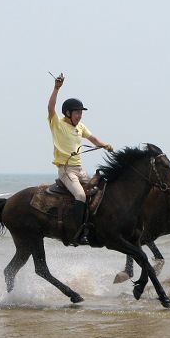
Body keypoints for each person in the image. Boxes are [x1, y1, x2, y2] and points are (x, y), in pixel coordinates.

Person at [48, 73, 113, 245]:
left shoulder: (81, 127)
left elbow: (93, 139)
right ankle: (77, 231)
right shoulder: (58, 124)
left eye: (80, 113)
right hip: (66, 170)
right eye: (77, 112)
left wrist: (105, 145)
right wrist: (56, 88)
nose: (79, 115)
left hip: (80, 170)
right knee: (80, 195)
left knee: (100, 190)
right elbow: (50, 108)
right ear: (67, 113)